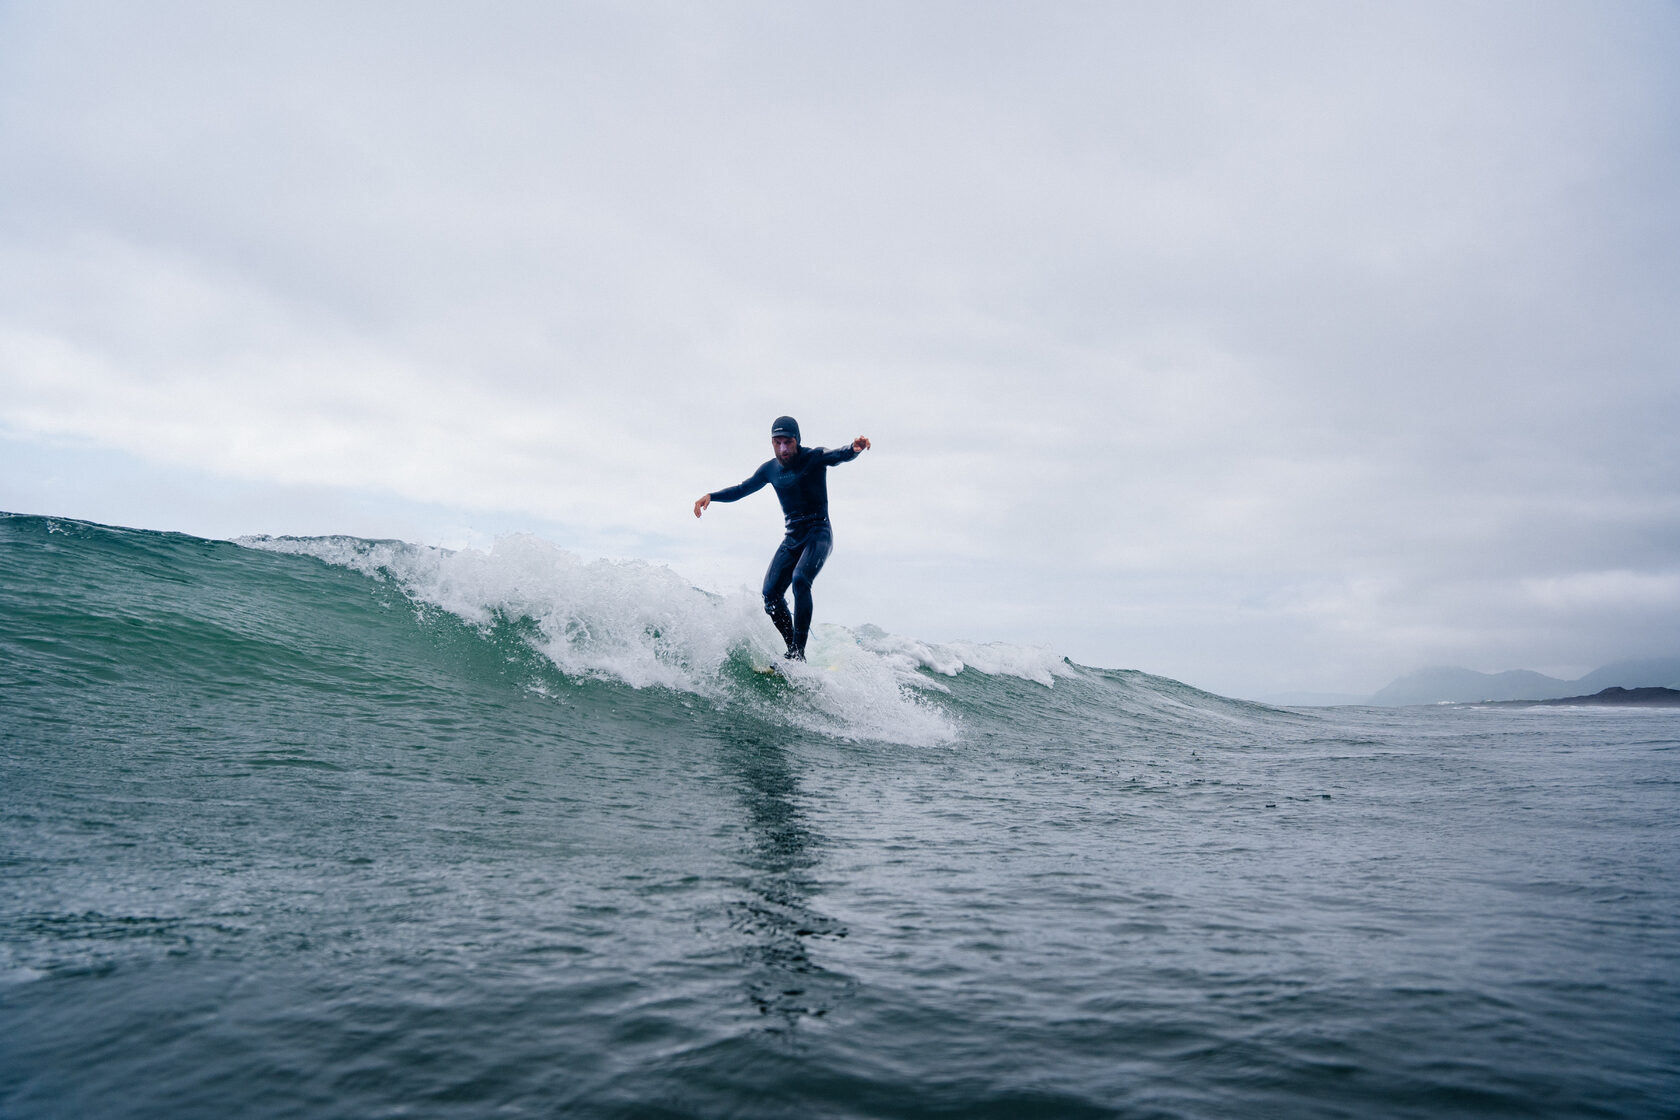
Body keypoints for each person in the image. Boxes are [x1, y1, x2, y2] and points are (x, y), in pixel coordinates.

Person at [694, 416, 871, 660]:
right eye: (777, 443)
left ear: (797, 440)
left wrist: (854, 449)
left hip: (818, 533)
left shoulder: (814, 457)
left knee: (800, 580)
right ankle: (793, 651)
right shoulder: (770, 469)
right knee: (770, 596)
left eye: (788, 442)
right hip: (792, 539)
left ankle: (798, 654)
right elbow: (742, 489)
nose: (783, 449)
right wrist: (711, 496)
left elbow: (837, 455)